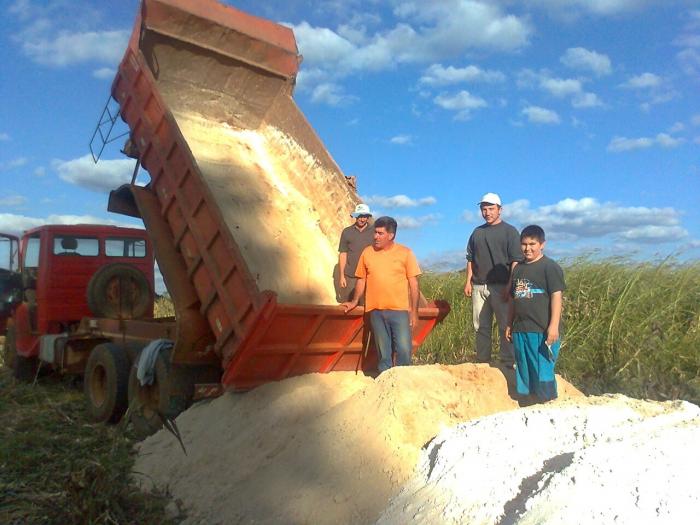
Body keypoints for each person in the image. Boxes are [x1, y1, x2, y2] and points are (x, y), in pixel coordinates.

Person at [341, 216, 421, 372]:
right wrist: (354, 301)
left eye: (380, 233)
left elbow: (414, 284)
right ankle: (385, 386)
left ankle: (402, 385)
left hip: (399, 311)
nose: (375, 236)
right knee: (384, 354)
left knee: (404, 350)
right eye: (375, 233)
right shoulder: (367, 253)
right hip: (375, 312)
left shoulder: (405, 253)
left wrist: (414, 313)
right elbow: (361, 280)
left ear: (390, 235)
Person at [505, 225, 565, 402]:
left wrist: (553, 326)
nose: (527, 248)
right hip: (520, 329)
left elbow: (556, 297)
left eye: (532, 243)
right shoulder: (518, 269)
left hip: (541, 329)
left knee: (542, 369)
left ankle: (547, 403)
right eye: (524, 244)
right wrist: (509, 323)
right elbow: (512, 299)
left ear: (542, 244)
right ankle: (527, 402)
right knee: (524, 368)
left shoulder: (550, 267)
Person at [464, 192, 522, 366]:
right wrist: (468, 281)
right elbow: (470, 259)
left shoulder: (510, 232)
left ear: (499, 210)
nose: (487, 212)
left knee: (505, 325)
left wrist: (510, 285)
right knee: (480, 326)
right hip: (479, 285)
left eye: (491, 209)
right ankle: (483, 360)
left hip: (501, 286)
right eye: (484, 209)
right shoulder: (477, 232)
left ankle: (507, 361)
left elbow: (515, 261)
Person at [336, 203, 374, 303]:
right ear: (355, 216)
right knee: (348, 305)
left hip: (368, 277)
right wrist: (342, 276)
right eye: (360, 216)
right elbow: (343, 253)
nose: (362, 219)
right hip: (350, 276)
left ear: (368, 217)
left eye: (365, 216)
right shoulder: (347, 232)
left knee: (367, 307)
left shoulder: (374, 232)